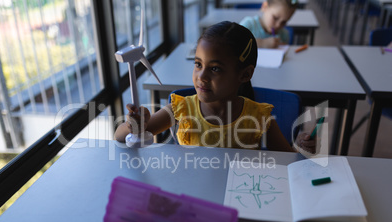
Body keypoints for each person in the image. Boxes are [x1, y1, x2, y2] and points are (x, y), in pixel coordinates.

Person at [115, 21, 316, 154]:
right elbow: (121, 137)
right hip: (193, 198)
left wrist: (300, 148)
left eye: (216, 69)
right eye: (198, 64)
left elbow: (287, 160)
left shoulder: (260, 117)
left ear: (245, 74)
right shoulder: (180, 109)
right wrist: (133, 126)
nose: (201, 76)